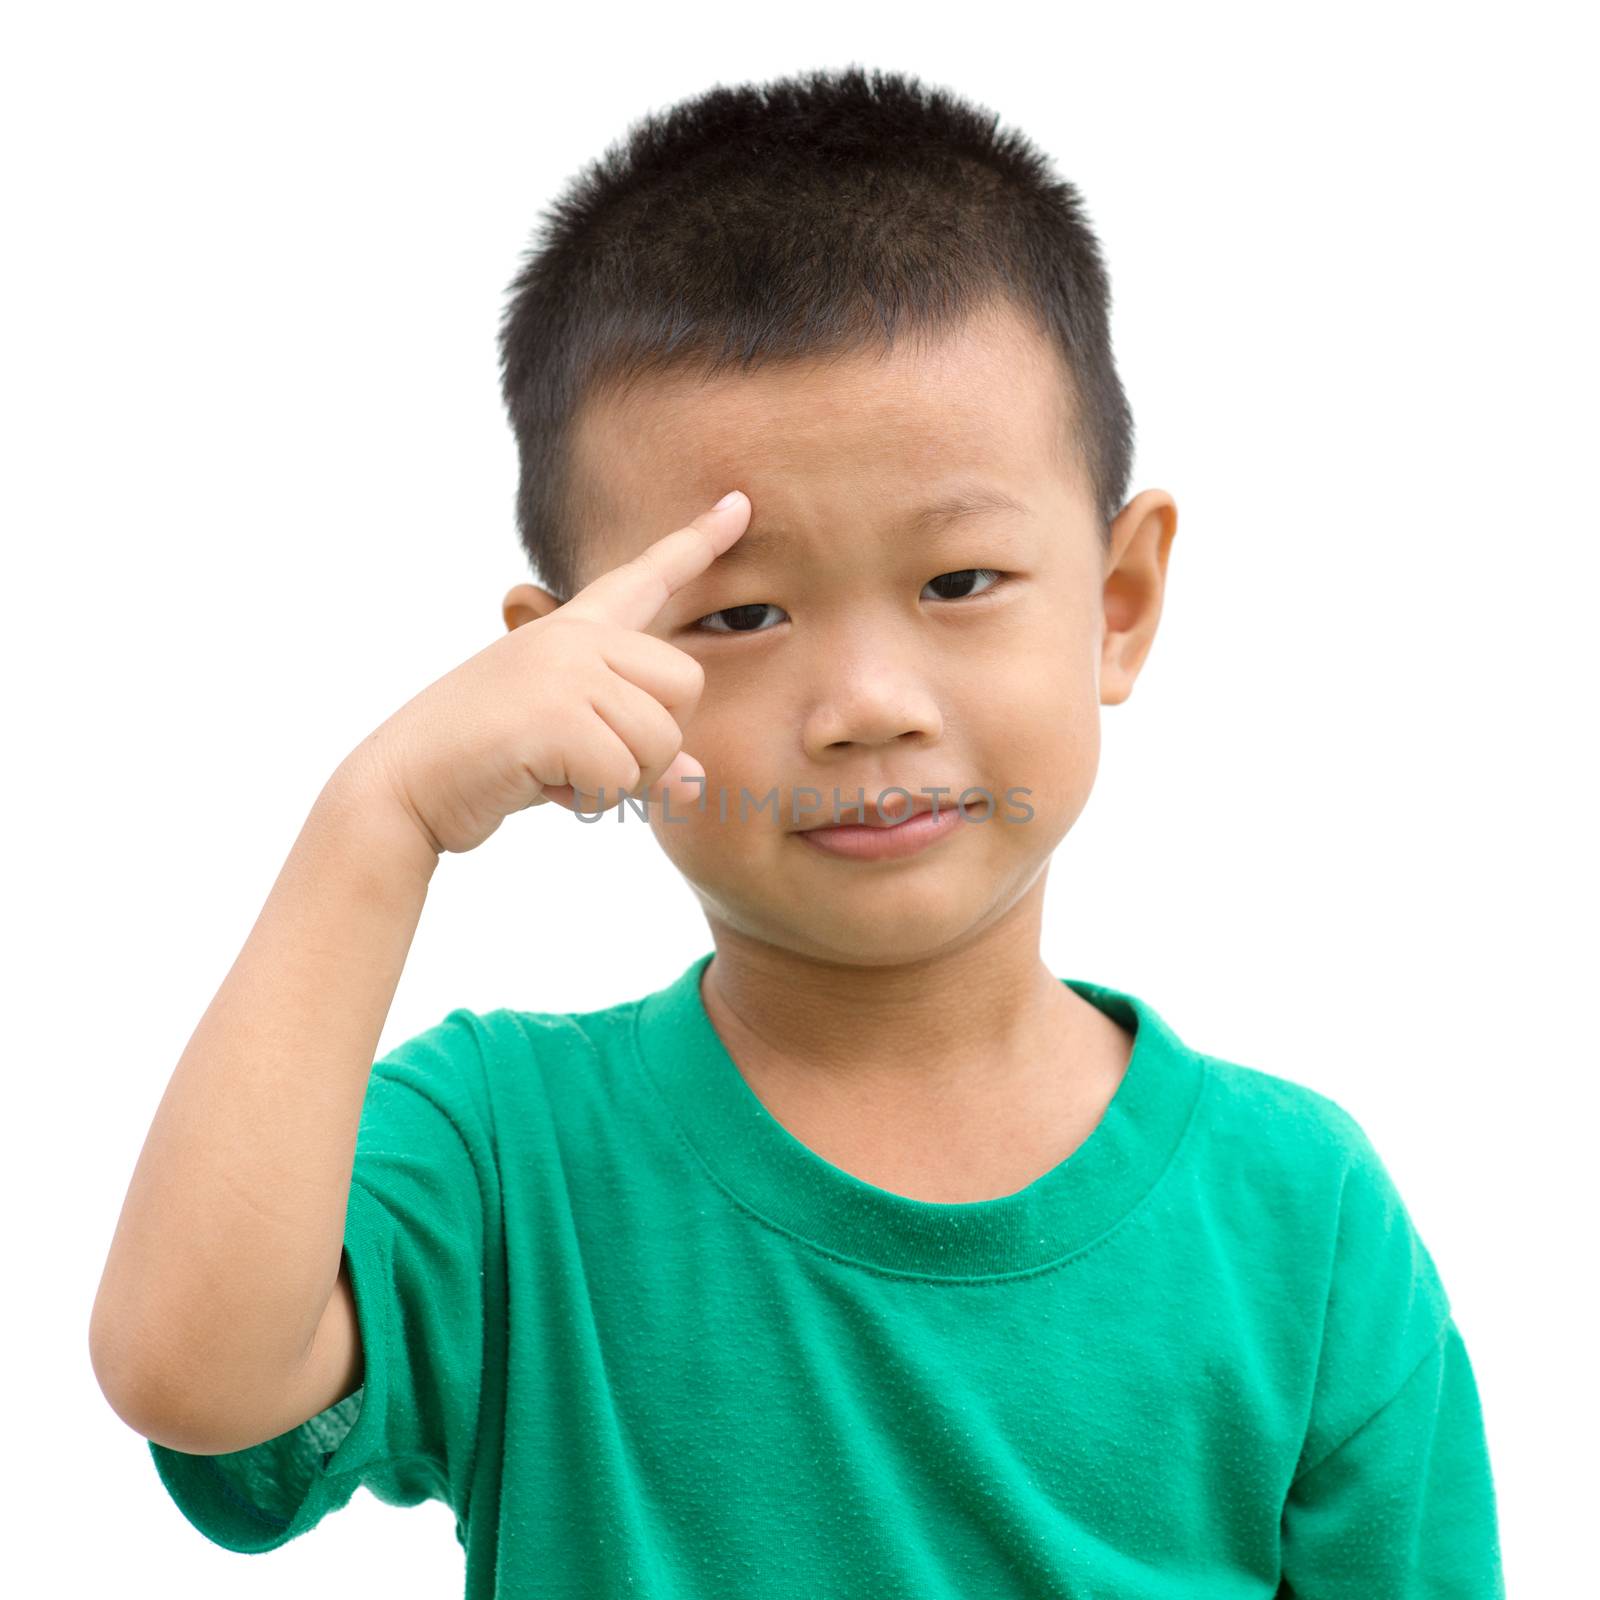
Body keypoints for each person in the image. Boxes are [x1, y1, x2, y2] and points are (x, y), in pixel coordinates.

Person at [89, 65, 1504, 1597]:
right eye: (742, 614)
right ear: (570, 676)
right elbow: (189, 1370)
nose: (867, 705)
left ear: (1120, 602)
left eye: (958, 584)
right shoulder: (505, 1152)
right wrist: (382, 816)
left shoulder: (1300, 1218)